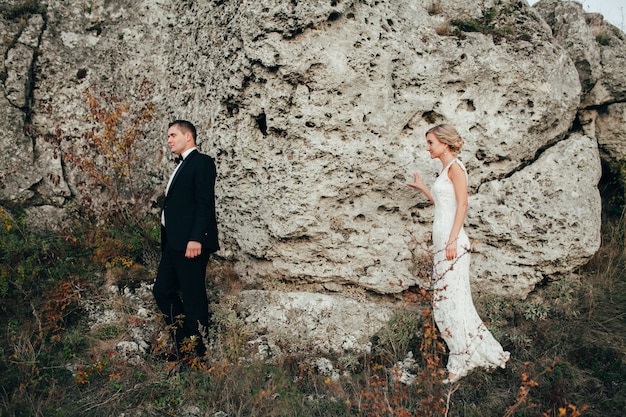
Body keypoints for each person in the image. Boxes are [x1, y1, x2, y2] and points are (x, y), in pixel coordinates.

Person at [407, 124, 509, 383]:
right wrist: (423, 189)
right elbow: (443, 205)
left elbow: (463, 204)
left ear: (444, 143)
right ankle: (466, 355)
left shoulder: (456, 168)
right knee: (447, 302)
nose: (427, 147)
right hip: (444, 244)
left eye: (430, 142)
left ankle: (460, 362)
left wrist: (452, 240)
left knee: (450, 302)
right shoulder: (444, 170)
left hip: (453, 244)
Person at [153, 120, 219, 359]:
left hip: (190, 244)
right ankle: (184, 344)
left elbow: (204, 203)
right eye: (168, 136)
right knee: (162, 290)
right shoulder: (181, 166)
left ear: (188, 136)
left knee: (192, 296)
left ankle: (196, 355)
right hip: (174, 243)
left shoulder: (201, 162)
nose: (169, 140)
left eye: (173, 135)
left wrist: (196, 239)